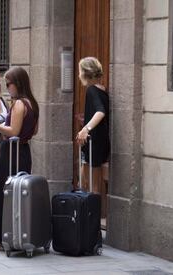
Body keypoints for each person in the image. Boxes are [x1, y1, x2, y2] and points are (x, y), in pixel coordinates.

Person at [0, 66, 39, 251]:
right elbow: (35, 131)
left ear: (18, 83)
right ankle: (19, 233)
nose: (7, 87)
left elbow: (13, 131)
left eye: (9, 83)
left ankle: (5, 237)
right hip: (24, 151)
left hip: (11, 151)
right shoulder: (33, 103)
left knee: (6, 192)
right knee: (20, 193)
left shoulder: (19, 104)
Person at [76, 57, 109, 218]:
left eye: (80, 71)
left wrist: (85, 129)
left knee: (88, 187)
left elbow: (100, 112)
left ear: (86, 73)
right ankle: (94, 224)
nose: (78, 75)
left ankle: (91, 225)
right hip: (101, 143)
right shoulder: (103, 90)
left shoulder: (91, 90)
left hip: (93, 144)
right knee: (92, 186)